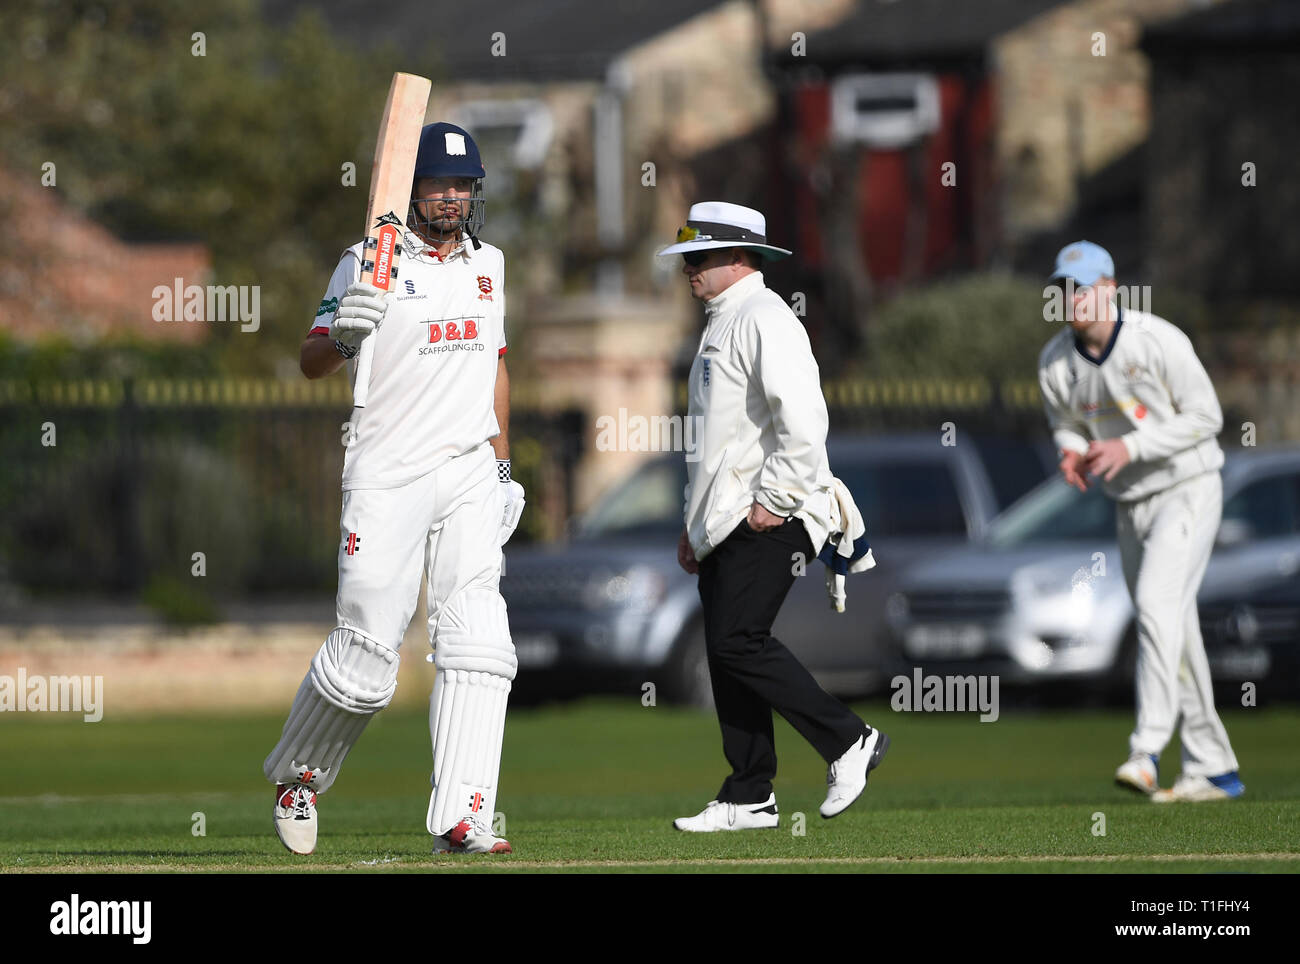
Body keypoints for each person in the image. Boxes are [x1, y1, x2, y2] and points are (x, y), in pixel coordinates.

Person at [263, 122, 525, 854]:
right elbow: (313, 362)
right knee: (366, 662)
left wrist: (503, 468)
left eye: (464, 184)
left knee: (481, 644)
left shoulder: (491, 265)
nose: (453, 197)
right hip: (387, 473)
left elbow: (496, 365)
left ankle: (465, 815)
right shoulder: (364, 262)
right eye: (441, 185)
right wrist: (344, 334)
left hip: (469, 469)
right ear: (410, 191)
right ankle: (299, 776)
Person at [659, 201, 889, 832]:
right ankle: (748, 793)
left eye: (698, 257)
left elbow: (805, 423)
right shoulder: (720, 320)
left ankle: (849, 741)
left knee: (738, 642)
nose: (689, 270)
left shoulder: (765, 317)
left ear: (737, 257)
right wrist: (693, 521)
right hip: (726, 518)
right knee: (727, 649)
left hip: (774, 513)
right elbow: (715, 442)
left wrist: (776, 500)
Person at [1037, 240, 1244, 803]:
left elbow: (1208, 416)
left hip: (1189, 487)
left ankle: (1146, 752)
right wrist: (1070, 449)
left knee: (1154, 606)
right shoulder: (1056, 362)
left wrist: (1132, 446)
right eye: (1063, 289)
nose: (1072, 299)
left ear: (1110, 289)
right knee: (1172, 628)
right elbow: (1066, 423)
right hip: (1132, 505)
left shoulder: (1158, 340)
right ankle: (1214, 767)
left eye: (1082, 288)